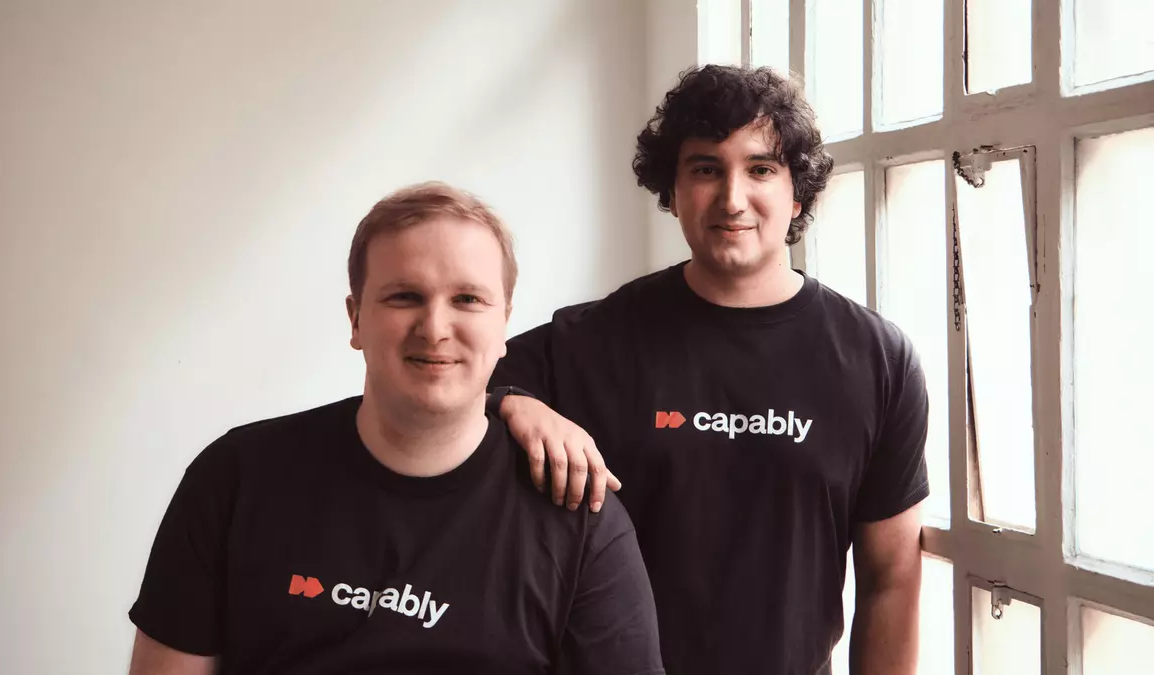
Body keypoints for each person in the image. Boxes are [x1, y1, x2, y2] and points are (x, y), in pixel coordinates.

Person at [489, 65, 929, 675]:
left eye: (761, 169)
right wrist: (515, 401)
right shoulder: (593, 341)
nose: (732, 198)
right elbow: (460, 382)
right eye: (705, 169)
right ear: (671, 192)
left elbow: (891, 579)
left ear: (797, 193)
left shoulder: (878, 359)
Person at [128, 182, 665, 675]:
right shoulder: (236, 479)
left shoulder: (578, 518)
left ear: (504, 323)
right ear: (355, 319)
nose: (435, 328)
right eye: (405, 296)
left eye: (467, 299)